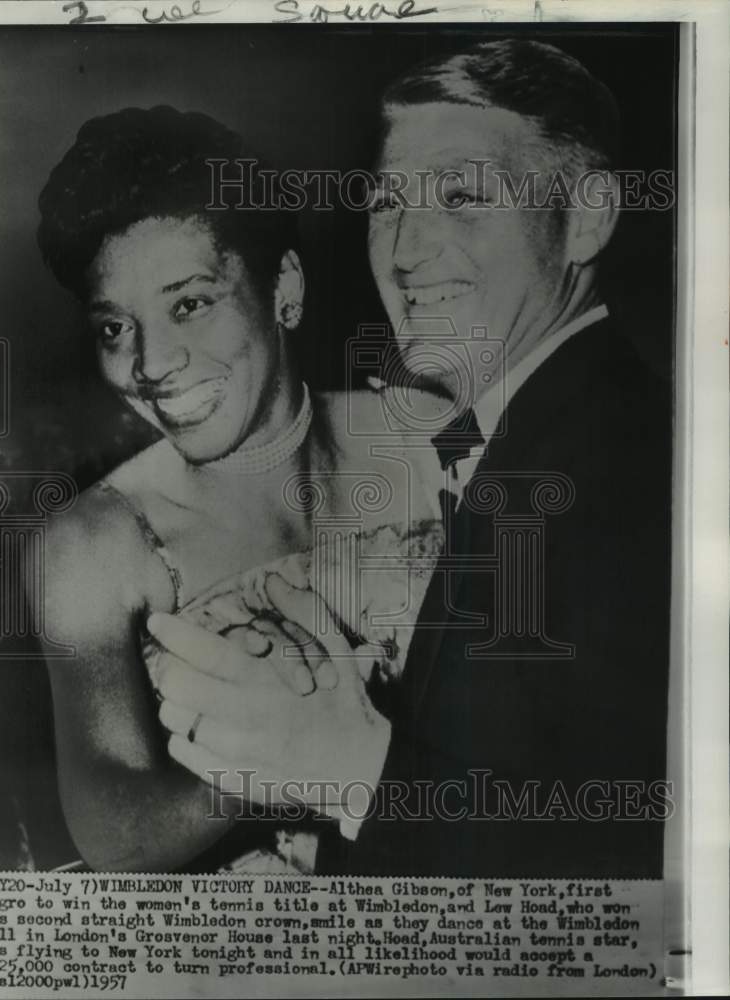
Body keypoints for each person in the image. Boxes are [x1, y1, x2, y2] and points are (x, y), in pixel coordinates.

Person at [153, 40, 672, 877]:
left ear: (585, 216)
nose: (403, 252)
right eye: (388, 201)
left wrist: (350, 767)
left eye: (462, 195)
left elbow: (636, 868)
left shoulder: (626, 468)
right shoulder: (538, 431)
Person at [33, 105, 446, 873]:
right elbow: (112, 833)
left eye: (189, 304)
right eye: (115, 328)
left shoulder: (423, 436)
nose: (151, 363)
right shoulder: (94, 542)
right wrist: (269, 759)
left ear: (283, 288)